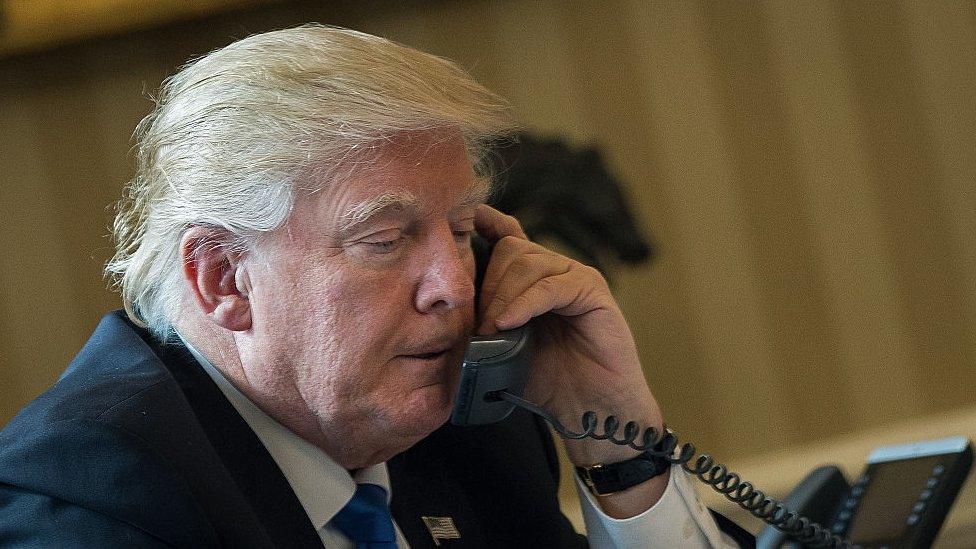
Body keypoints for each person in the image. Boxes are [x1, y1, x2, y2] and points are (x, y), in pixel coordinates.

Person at [0, 25, 754, 548]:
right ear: (225, 279)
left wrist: (615, 444)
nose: (454, 287)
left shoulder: (471, 430)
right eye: (385, 240)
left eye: (462, 230)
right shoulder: (93, 501)